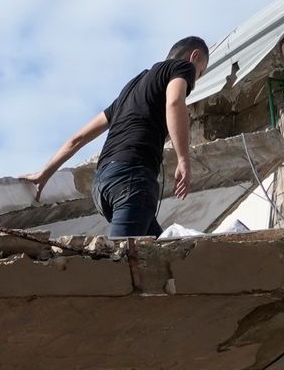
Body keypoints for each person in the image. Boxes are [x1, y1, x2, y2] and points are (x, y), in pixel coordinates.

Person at [34, 35, 211, 239]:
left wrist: (45, 173)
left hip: (103, 185)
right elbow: (174, 103)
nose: (195, 81)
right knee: (122, 261)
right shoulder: (182, 67)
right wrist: (183, 159)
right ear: (194, 56)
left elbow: (78, 138)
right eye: (200, 73)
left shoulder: (130, 90)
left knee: (158, 253)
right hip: (132, 178)